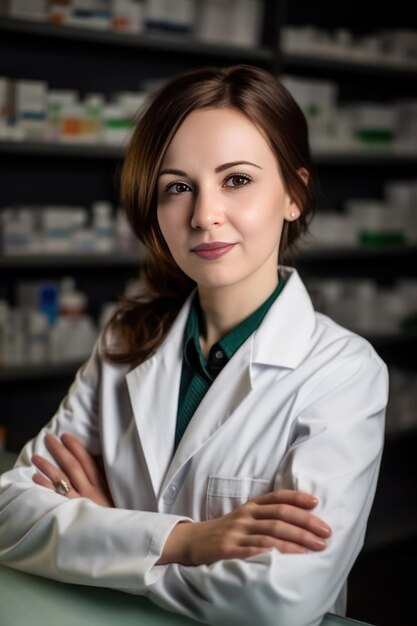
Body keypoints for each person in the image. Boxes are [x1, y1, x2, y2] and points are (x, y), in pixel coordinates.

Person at [0, 65, 388, 626]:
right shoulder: (125, 343)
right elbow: (10, 510)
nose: (205, 216)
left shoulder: (344, 373)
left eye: (237, 180)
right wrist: (182, 540)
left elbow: (277, 599)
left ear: (294, 195)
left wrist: (109, 534)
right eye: (178, 187)